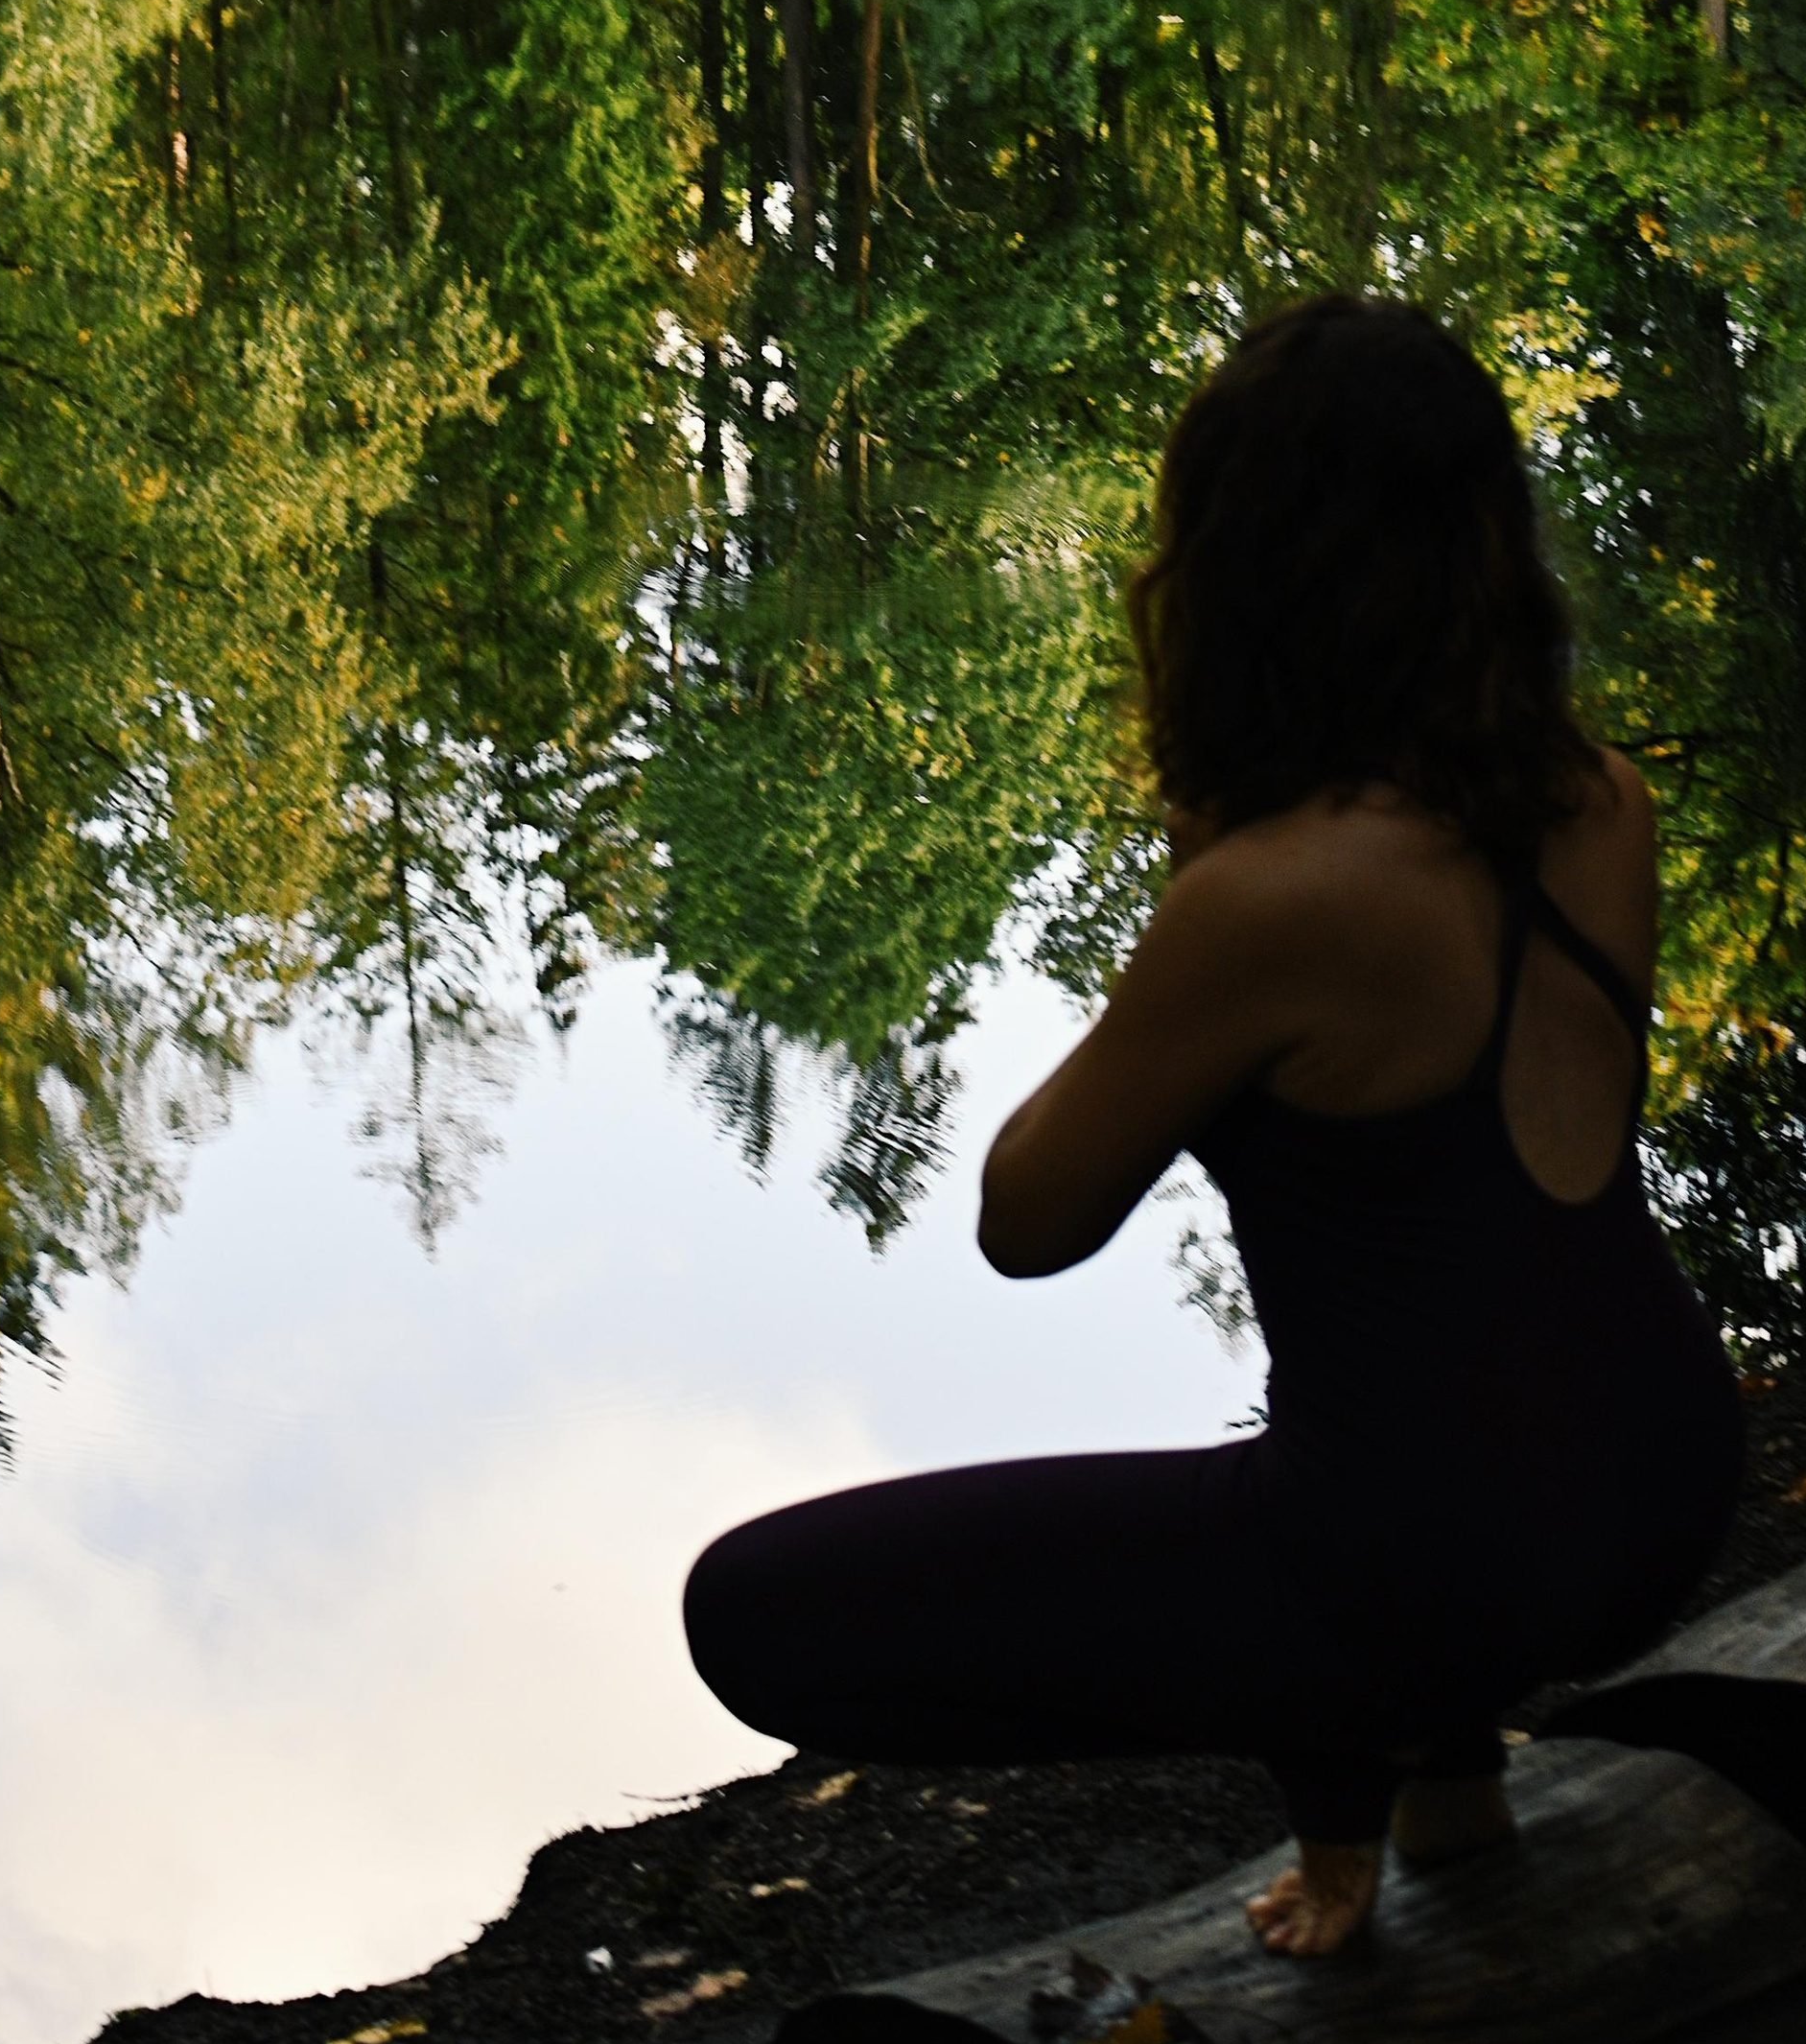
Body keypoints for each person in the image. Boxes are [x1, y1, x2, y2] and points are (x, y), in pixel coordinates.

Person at [683, 294, 1744, 1957]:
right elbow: (1470, 1278)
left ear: (1244, 573)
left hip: (1448, 1549)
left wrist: (1193, 897)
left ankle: (1399, 1721)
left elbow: (1027, 1218)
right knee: (1345, 1431)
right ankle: (1431, 1786)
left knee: (753, 1617)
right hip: (1664, 1475)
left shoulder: (1270, 897)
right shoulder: (1602, 797)